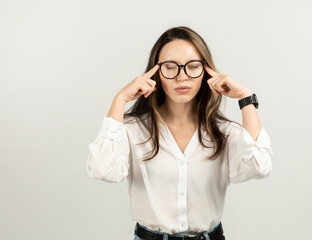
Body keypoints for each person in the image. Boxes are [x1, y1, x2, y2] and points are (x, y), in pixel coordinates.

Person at [86, 26, 274, 240]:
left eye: (193, 66)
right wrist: (119, 100)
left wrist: (245, 98)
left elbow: (260, 166)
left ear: (206, 71)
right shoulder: (133, 130)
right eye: (170, 67)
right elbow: (101, 169)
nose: (182, 77)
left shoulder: (223, 132)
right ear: (156, 73)